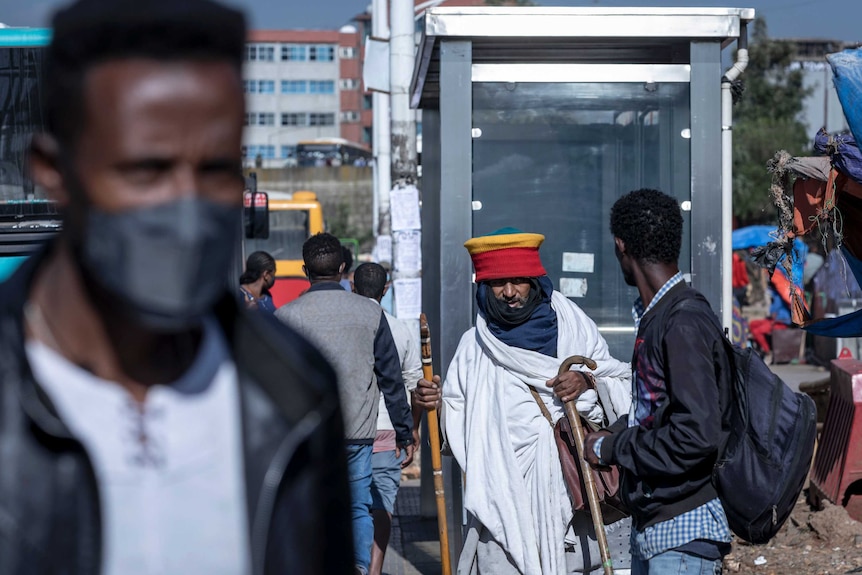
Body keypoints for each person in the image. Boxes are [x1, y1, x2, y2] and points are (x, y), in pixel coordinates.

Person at [10, 0, 353, 573]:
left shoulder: (295, 391)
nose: (186, 208)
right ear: (53, 172)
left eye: (216, 170)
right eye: (146, 170)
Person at [414, 227, 633, 574]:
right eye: (499, 283)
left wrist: (586, 380)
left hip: (574, 495)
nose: (510, 292)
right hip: (503, 498)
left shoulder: (574, 326)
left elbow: (619, 380)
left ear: (535, 281)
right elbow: (455, 426)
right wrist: (431, 406)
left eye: (519, 280)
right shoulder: (474, 348)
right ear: (485, 288)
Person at [584, 188, 733, 574]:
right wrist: (606, 435)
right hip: (659, 534)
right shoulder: (659, 316)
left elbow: (697, 433)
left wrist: (613, 448)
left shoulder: (682, 321)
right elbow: (657, 416)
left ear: (622, 246)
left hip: (683, 537)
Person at [275, 233, 415, 575]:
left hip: (307, 434)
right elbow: (391, 378)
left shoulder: (286, 316)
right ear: (342, 268)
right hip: (358, 433)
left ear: (306, 270)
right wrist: (404, 433)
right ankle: (357, 566)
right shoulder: (369, 314)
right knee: (358, 505)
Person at [352, 262, 423, 575]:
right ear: (386, 289)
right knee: (381, 502)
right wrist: (411, 431)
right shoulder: (401, 329)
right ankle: (375, 569)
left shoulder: (346, 324)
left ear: (352, 287)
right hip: (387, 430)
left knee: (353, 502)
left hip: (350, 428)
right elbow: (414, 386)